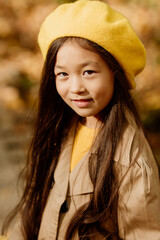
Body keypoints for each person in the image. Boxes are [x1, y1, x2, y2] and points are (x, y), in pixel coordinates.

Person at [2, 0, 160, 239]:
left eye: (89, 72)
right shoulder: (61, 128)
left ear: (115, 73)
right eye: (63, 74)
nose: (76, 88)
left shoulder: (131, 160)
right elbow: (36, 210)